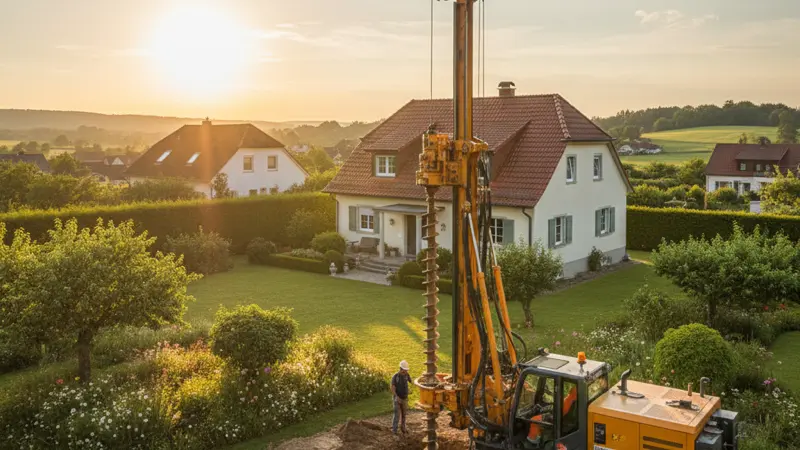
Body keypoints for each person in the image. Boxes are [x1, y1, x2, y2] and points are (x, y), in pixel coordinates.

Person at [391, 360, 412, 435]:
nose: (405, 372)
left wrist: (409, 390)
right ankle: (394, 430)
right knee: (397, 414)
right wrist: (396, 397)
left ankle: (403, 428)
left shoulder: (407, 375)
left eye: (406, 370)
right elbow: (392, 388)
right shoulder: (395, 377)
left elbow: (411, 382)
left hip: (405, 398)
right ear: (400, 369)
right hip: (397, 398)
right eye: (404, 370)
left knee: (404, 415)